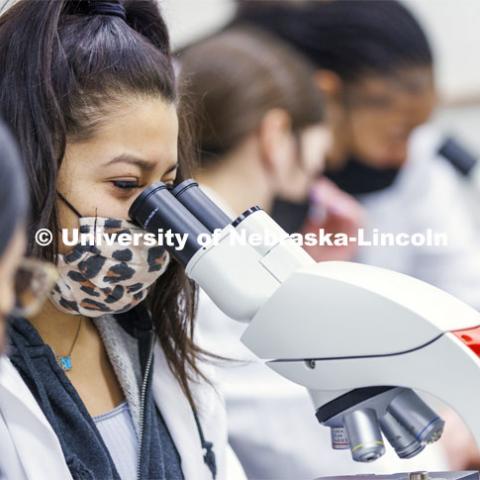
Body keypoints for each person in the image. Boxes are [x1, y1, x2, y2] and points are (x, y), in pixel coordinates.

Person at [179, 27, 448, 478]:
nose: (316, 181)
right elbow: (292, 418)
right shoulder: (221, 266)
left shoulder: (206, 243)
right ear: (276, 135)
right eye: (317, 160)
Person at [0, 1, 244, 479]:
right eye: (127, 186)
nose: (153, 220)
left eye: (167, 189)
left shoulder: (157, 342)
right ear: (32, 171)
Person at [234, 0, 480, 312]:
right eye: (399, 131)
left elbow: (464, 285)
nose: (405, 155)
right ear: (328, 94)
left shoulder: (419, 164)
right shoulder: (266, 166)